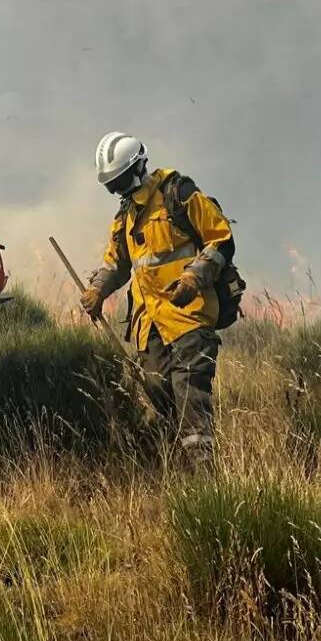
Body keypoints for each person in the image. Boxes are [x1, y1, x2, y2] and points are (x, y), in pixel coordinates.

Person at [79, 131, 235, 466]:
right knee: (158, 390)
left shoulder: (179, 194)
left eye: (120, 182)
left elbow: (222, 239)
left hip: (189, 316)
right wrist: (98, 290)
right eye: (111, 186)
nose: (117, 190)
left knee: (189, 391)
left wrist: (194, 277)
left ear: (138, 168)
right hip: (149, 325)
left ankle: (205, 477)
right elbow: (116, 263)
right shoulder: (125, 217)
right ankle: (179, 463)